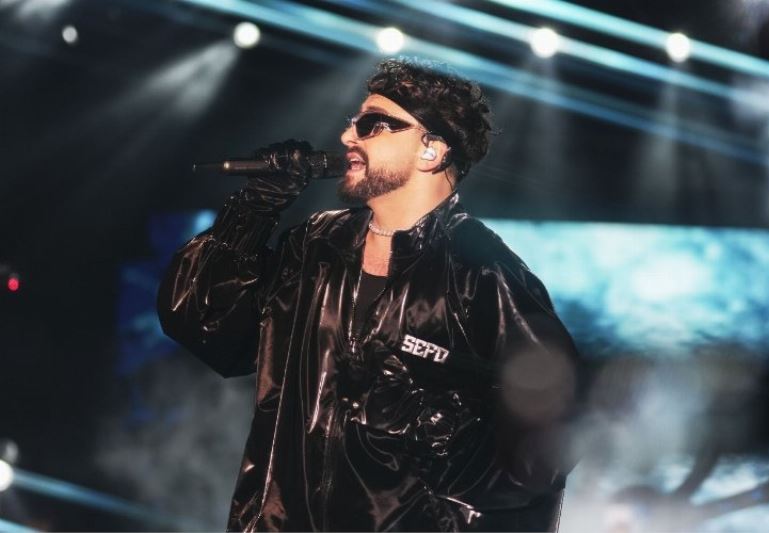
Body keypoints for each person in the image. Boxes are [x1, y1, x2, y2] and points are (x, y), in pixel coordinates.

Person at [158, 57, 582, 532]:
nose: (348, 137)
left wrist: (434, 432)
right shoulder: (317, 244)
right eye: (352, 122)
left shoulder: (483, 272)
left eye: (372, 124)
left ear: (431, 150)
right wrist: (254, 210)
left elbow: (551, 436)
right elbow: (203, 322)